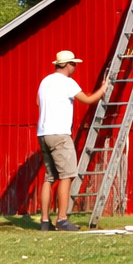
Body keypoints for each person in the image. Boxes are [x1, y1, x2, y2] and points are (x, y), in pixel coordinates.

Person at [36, 50, 109, 231]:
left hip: (43, 134)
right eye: (74, 64)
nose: (75, 67)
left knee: (49, 177)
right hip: (60, 134)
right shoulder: (68, 83)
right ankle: (62, 219)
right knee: (67, 176)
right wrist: (103, 88)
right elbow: (89, 99)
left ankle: (45, 221)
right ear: (68, 65)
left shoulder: (45, 81)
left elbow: (38, 103)